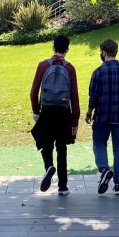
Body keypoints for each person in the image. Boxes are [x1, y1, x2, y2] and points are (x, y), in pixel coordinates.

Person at [85, 39, 119, 196]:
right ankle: (118, 184)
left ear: (103, 52)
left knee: (99, 144)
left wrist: (89, 113)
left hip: (102, 117)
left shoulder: (98, 72)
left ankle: (104, 170)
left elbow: (93, 97)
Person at [30, 34, 80, 196]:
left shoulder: (43, 65)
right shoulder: (70, 68)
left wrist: (36, 111)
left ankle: (49, 166)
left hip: (47, 110)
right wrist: (75, 121)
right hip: (64, 111)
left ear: (53, 47)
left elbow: (33, 92)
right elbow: (75, 96)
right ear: (67, 50)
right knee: (62, 148)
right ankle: (63, 186)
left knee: (45, 143)